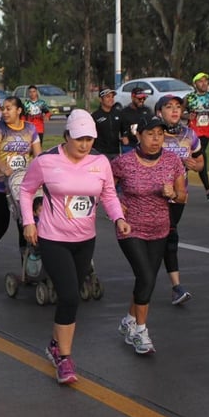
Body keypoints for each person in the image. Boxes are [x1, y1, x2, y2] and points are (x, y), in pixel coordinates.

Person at [19, 109, 129, 384]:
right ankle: (65, 359)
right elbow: (26, 190)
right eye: (79, 139)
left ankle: (55, 345)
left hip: (85, 240)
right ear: (66, 136)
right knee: (69, 296)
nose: (84, 145)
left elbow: (108, 194)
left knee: (72, 296)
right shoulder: (46, 161)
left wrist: (118, 218)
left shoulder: (100, 162)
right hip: (53, 238)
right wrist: (29, 222)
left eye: (89, 139)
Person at [112, 115, 185, 354]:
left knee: (148, 279)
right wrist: (116, 206)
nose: (156, 139)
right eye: (150, 134)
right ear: (139, 135)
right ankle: (141, 332)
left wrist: (172, 192)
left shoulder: (172, 161)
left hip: (159, 229)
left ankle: (129, 320)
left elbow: (183, 196)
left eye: (160, 134)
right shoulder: (123, 162)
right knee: (145, 276)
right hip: (130, 228)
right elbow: (106, 187)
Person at [0, 96, 41, 272]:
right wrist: (5, 169)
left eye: (9, 108)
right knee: (2, 224)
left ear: (19, 110)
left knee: (24, 222)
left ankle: (27, 266)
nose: (4, 112)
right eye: (3, 109)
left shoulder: (30, 129)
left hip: (23, 184)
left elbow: (37, 155)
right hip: (0, 184)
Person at [157, 94, 205, 305]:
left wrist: (196, 165)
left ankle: (174, 286)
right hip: (154, 196)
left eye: (178, 106)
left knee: (168, 238)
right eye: (169, 107)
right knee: (167, 239)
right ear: (159, 112)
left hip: (179, 195)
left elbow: (201, 161)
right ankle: (175, 286)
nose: (175, 110)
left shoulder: (189, 135)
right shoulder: (153, 134)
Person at [184, 72, 209, 202]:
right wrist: (187, 116)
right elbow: (180, 111)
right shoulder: (189, 98)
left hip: (206, 133)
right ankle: (208, 191)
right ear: (195, 84)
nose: (204, 83)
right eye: (201, 81)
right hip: (193, 134)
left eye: (206, 81)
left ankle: (178, 184)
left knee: (192, 160)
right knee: (201, 158)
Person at [92, 88, 123, 160]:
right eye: (108, 97)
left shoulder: (118, 114)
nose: (111, 99)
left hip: (115, 152)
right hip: (100, 153)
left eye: (112, 97)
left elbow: (124, 129)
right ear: (101, 99)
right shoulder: (95, 116)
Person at [119, 87, 152, 153]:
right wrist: (123, 137)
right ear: (132, 97)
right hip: (129, 146)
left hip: (144, 145)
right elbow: (119, 129)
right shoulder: (124, 112)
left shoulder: (147, 110)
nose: (142, 100)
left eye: (144, 98)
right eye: (139, 98)